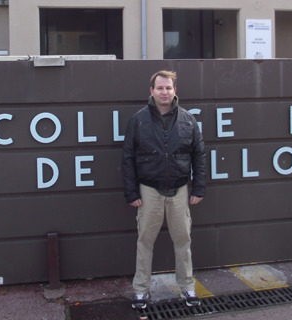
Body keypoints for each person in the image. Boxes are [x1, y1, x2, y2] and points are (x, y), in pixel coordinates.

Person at [121, 70, 206, 309]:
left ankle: (187, 288)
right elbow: (127, 157)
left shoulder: (188, 120)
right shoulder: (138, 120)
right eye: (159, 88)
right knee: (145, 241)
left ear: (174, 91)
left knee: (183, 241)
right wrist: (132, 192)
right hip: (149, 191)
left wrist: (198, 187)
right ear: (152, 91)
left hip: (180, 190)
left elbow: (199, 155)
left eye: (168, 88)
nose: (164, 92)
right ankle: (140, 290)